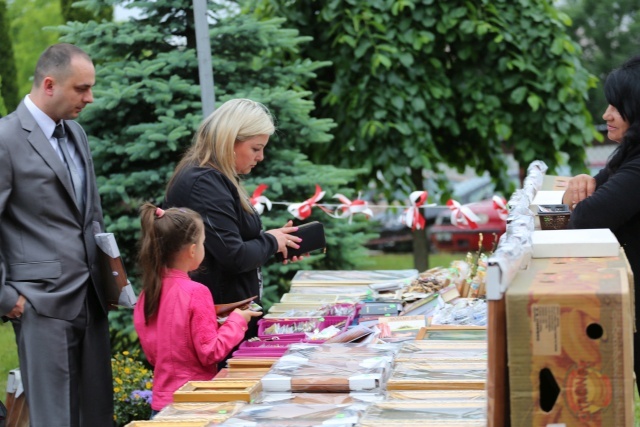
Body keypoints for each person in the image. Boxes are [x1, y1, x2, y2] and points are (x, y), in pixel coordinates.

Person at [0, 43, 113, 425]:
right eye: (81, 89)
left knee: (96, 415)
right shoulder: (5, 139)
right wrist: (6, 297)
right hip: (40, 304)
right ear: (49, 84)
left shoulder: (77, 134)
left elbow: (91, 216)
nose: (90, 97)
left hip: (91, 301)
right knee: (55, 420)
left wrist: (112, 281)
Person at [164, 98, 302, 340]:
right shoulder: (204, 183)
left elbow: (225, 246)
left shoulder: (215, 178)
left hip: (228, 318)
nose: (260, 157)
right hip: (217, 326)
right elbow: (233, 256)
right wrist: (270, 241)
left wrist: (278, 244)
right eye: (256, 148)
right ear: (229, 141)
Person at [133, 203, 260, 413]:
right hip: (194, 400)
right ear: (193, 250)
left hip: (161, 404)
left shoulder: (148, 293)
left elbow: (157, 352)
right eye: (203, 243)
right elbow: (210, 352)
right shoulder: (196, 292)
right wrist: (237, 320)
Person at [562, 55, 640, 393]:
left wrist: (585, 194)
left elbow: (587, 216)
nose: (606, 115)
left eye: (617, 107)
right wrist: (582, 180)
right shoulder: (629, 155)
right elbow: (594, 189)